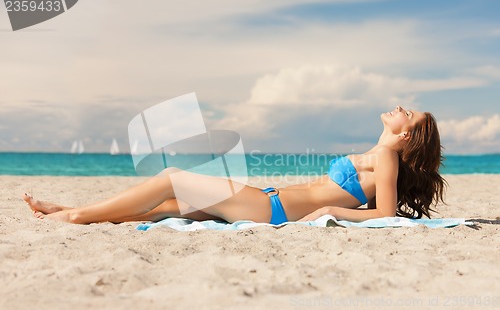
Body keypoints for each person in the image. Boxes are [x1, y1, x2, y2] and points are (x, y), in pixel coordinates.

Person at [23, 106, 447, 224]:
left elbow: (387, 214)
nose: (399, 109)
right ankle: (68, 211)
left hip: (270, 211)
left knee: (173, 178)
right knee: (169, 206)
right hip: (268, 200)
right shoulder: (378, 153)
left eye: (408, 114)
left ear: (406, 135)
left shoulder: (388, 157)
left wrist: (337, 211)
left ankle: (77, 215)